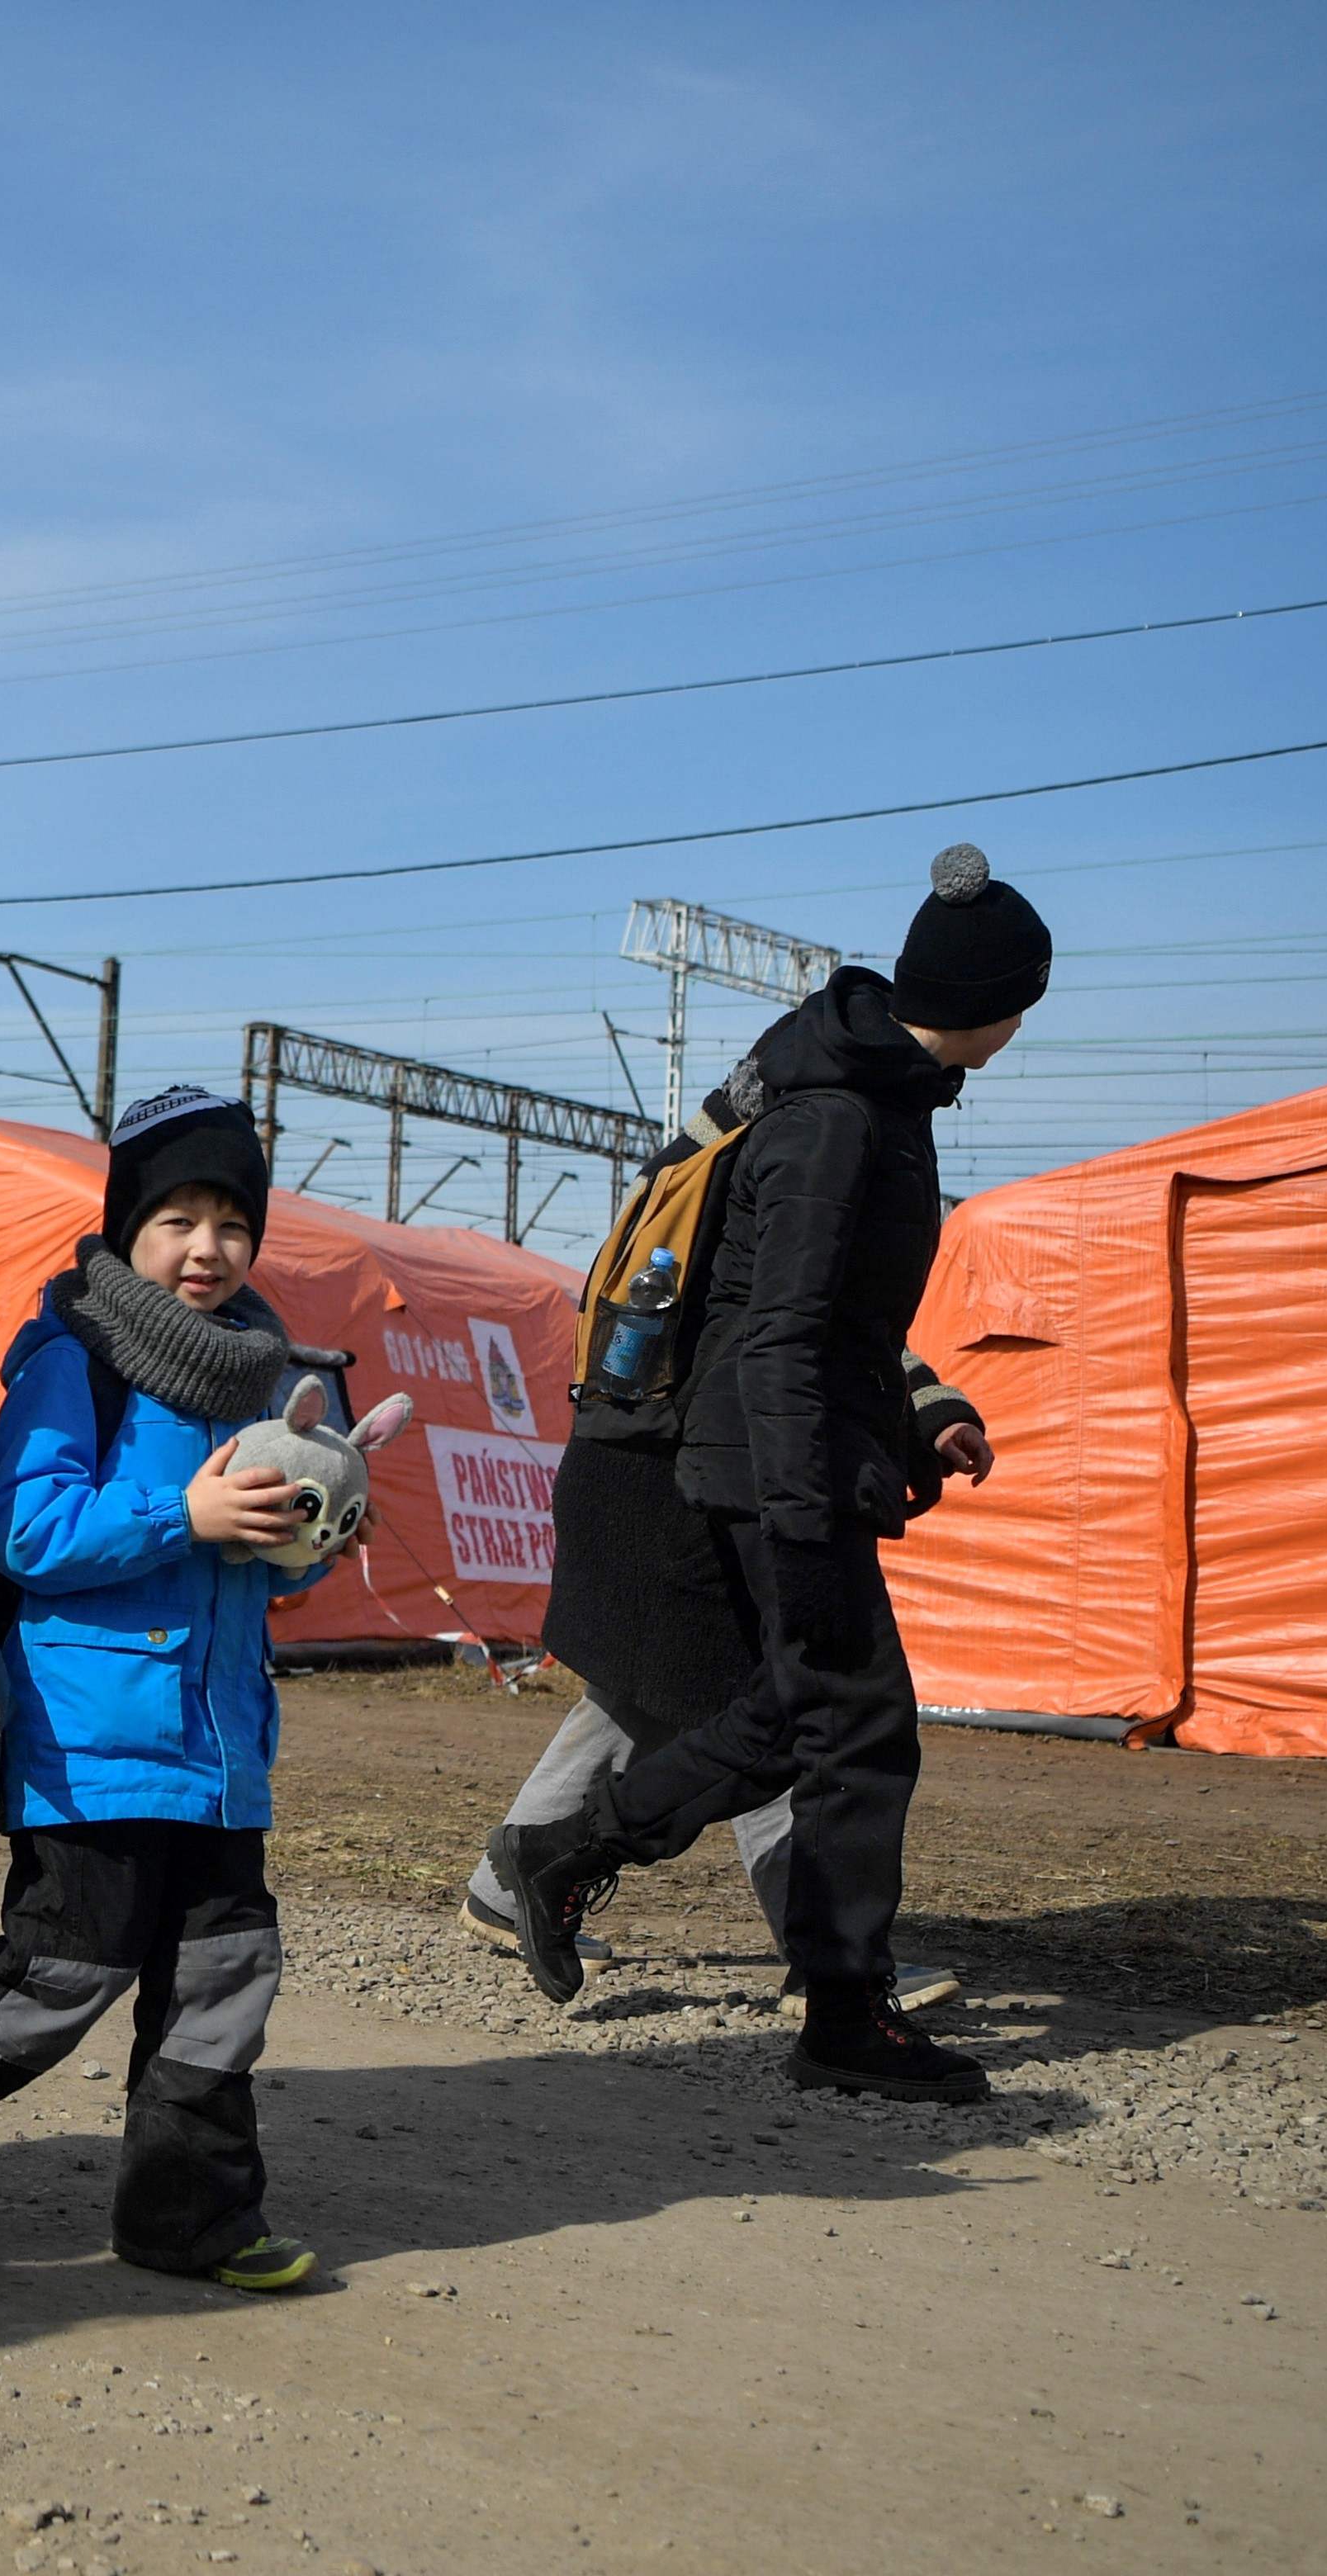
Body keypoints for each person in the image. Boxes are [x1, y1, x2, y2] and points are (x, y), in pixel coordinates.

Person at [495, 845, 1052, 2107]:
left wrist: (914, 1424)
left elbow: (835, 1328)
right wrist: (803, 1503)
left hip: (793, 1458)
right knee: (858, 1727)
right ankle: (843, 2014)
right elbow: (780, 1333)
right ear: (999, 1006)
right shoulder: (842, 1115)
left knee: (800, 1716)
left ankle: (567, 1853)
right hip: (774, 1472)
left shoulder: (865, 1094)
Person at [0, 1089, 331, 2290]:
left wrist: (306, 1539)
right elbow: (28, 1532)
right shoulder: (75, 1357)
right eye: (178, 1218)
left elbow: (253, 1583)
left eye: (232, 1224)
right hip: (96, 1742)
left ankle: (194, 2222)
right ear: (128, 1226)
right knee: (62, 1972)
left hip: (222, 1748)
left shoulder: (261, 1374)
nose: (206, 1249)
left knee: (223, 1975)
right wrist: (185, 1513)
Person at [465, 1345, 989, 2016]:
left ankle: (512, 1887)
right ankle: (828, 1955)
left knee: (650, 1695)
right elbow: (799, 1316)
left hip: (658, 1464)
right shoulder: (761, 1245)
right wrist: (919, 1407)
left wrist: (927, 1408)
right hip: (691, 1479)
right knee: (776, 1694)